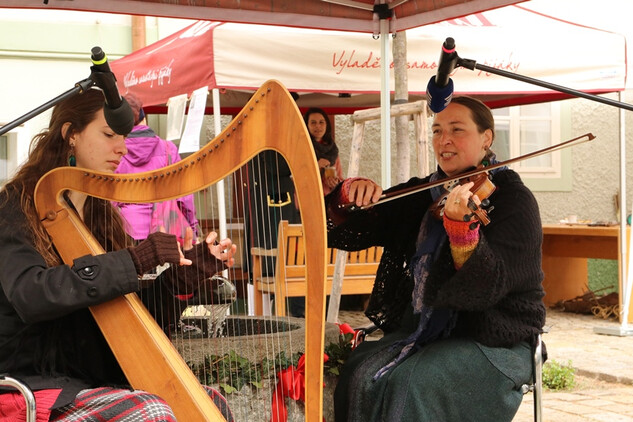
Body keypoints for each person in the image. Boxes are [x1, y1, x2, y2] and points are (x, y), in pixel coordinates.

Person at [0, 88, 237, 421]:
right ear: (71, 135)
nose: (121, 148)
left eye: (123, 136)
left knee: (210, 401)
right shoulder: (14, 208)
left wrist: (184, 278)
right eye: (109, 134)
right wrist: (136, 259)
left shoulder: (101, 216)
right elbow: (31, 294)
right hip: (34, 386)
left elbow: (127, 312)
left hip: (92, 380)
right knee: (150, 413)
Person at [328, 96, 546, 421]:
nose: (444, 140)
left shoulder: (514, 200)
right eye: (437, 130)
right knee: (358, 371)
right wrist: (348, 195)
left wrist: (462, 232)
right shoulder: (424, 193)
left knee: (413, 384)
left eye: (457, 130)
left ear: (486, 138)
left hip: (495, 339)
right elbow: (349, 231)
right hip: (424, 331)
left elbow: (487, 287)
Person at [115, 93, 199, 244]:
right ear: (143, 116)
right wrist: (192, 227)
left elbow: (110, 198)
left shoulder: (115, 151)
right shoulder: (168, 148)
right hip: (165, 227)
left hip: (127, 228)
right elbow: (184, 195)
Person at [304, 107, 344, 196]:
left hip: (328, 199)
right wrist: (316, 167)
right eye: (313, 123)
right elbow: (295, 179)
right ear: (306, 125)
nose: (318, 126)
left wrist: (335, 182)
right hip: (307, 199)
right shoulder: (301, 148)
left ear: (326, 125)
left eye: (321, 122)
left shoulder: (332, 150)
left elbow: (340, 179)